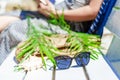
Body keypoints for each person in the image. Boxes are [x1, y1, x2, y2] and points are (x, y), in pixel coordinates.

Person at [0, 0, 103, 65]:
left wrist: (55, 13)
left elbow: (92, 11)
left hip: (69, 27)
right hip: (54, 16)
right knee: (9, 16)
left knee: (14, 29)